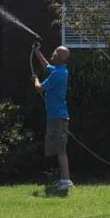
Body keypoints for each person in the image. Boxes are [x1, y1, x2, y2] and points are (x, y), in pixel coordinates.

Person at [32, 44, 73, 192]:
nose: (53, 53)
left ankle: (66, 180)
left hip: (57, 116)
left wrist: (35, 79)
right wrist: (37, 52)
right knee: (59, 148)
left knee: (60, 150)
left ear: (59, 57)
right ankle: (64, 179)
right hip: (57, 116)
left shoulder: (58, 74)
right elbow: (46, 66)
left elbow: (40, 88)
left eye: (56, 52)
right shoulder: (60, 70)